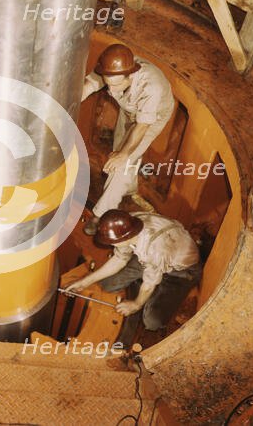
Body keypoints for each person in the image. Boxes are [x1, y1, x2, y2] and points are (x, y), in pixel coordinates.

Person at [81, 43, 175, 236]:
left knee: (120, 164)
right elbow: (89, 85)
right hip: (129, 111)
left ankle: (101, 213)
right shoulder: (112, 70)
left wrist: (124, 155)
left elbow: (142, 126)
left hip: (152, 118)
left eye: (115, 84)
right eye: (108, 83)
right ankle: (129, 187)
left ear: (131, 75)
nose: (110, 87)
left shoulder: (152, 87)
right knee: (118, 152)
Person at [64, 209, 201, 331]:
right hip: (153, 259)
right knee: (107, 285)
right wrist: (83, 282)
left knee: (153, 321)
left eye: (112, 242)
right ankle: (148, 287)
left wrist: (136, 304)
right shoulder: (129, 223)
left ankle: (158, 296)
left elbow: (149, 284)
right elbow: (120, 259)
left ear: (125, 238)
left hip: (181, 272)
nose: (110, 244)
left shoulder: (154, 249)